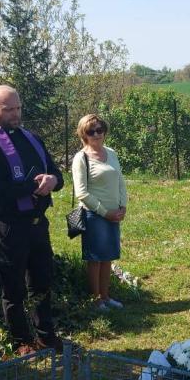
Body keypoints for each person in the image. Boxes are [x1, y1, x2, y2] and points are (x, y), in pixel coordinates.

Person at [0, 85, 64, 355]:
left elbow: (56, 173)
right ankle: (22, 341)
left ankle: (46, 336)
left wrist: (53, 180)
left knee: (42, 282)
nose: (16, 114)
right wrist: (32, 187)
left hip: (37, 223)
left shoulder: (31, 138)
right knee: (13, 287)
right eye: (8, 109)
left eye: (18, 108)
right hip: (8, 226)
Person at [72, 114, 127, 311]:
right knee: (95, 259)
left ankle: (105, 296)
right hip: (94, 215)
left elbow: (120, 180)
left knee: (107, 257)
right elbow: (82, 192)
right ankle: (95, 301)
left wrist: (123, 205)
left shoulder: (111, 153)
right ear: (83, 134)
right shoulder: (81, 158)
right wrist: (105, 213)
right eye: (91, 131)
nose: (96, 134)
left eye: (99, 130)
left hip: (114, 213)